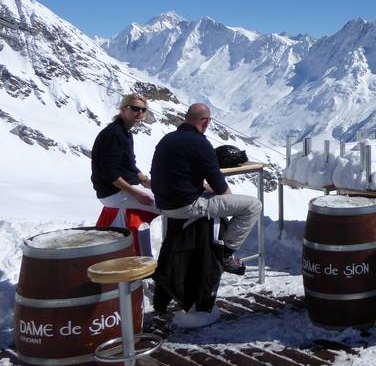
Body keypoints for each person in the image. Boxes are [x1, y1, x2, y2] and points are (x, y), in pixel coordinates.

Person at [150, 103, 262, 274]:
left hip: (164, 204)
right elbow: (219, 185)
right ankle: (225, 254)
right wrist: (227, 202)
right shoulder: (200, 143)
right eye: (208, 120)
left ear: (186, 118)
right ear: (206, 122)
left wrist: (202, 187)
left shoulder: (167, 139)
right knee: (253, 206)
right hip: (185, 206)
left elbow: (176, 174)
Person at [91, 93, 161, 231]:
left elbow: (129, 165)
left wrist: (145, 180)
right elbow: (110, 173)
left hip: (117, 190)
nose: (140, 112)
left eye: (143, 110)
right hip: (113, 193)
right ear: (123, 109)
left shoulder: (124, 132)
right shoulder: (114, 134)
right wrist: (137, 194)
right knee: (166, 205)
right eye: (135, 108)